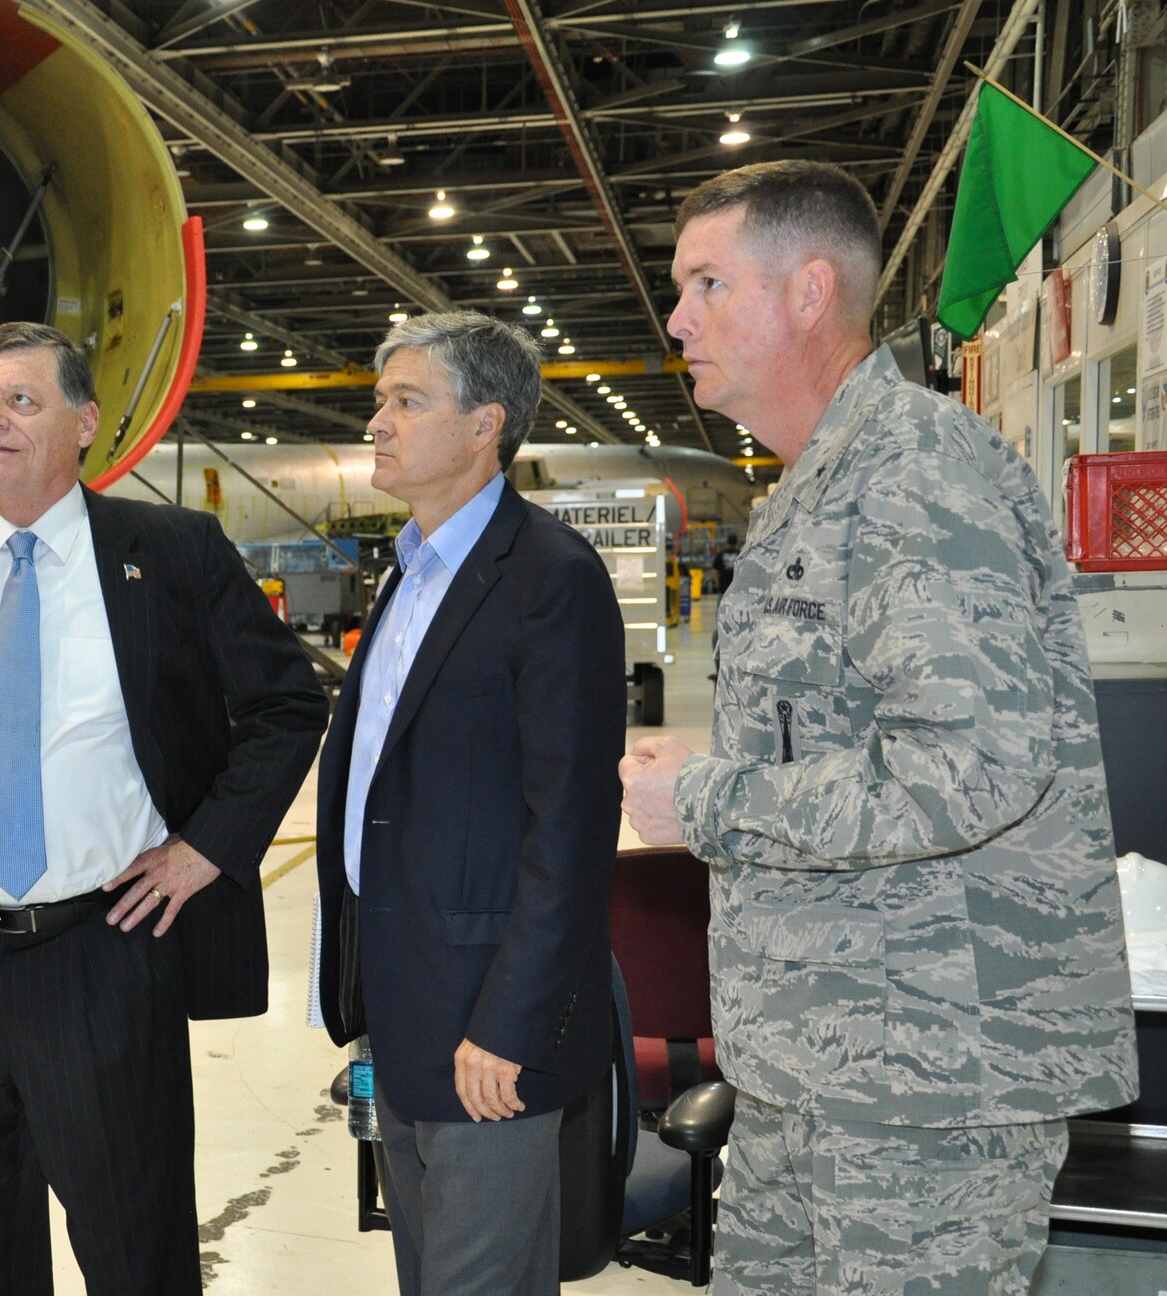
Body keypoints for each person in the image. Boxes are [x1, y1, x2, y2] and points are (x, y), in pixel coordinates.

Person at [620, 160, 1138, 1295]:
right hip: (815, 1062)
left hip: (929, 1083)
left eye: (705, 284)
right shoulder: (816, 484)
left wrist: (702, 799)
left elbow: (968, 770)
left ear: (808, 293)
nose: (675, 319)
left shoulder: (914, 473)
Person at [0, 321, 326, 1295]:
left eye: (21, 400)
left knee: (136, 1256)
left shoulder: (169, 552)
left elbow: (286, 704)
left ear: (84, 421)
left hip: (102, 959)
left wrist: (201, 849)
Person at [315, 310, 627, 1295]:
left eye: (405, 401)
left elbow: (570, 830)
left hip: (484, 1028)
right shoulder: (408, 573)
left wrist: (509, 1024)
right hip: (398, 1008)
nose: (377, 422)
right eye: (378, 402)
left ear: (484, 424)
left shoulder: (548, 580)